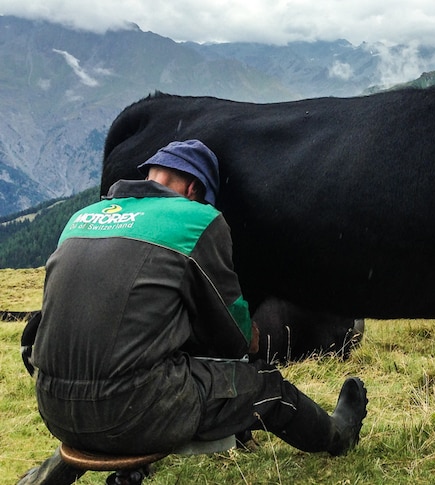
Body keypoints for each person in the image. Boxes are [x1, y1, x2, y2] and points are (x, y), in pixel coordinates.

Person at [19, 140, 367, 484]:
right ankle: (339, 433)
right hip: (132, 413)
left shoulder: (82, 218)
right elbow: (233, 338)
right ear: (193, 188)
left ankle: (46, 476)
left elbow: (40, 332)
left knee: (108, 386)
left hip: (52, 406)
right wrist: (249, 337)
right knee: (264, 384)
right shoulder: (196, 219)